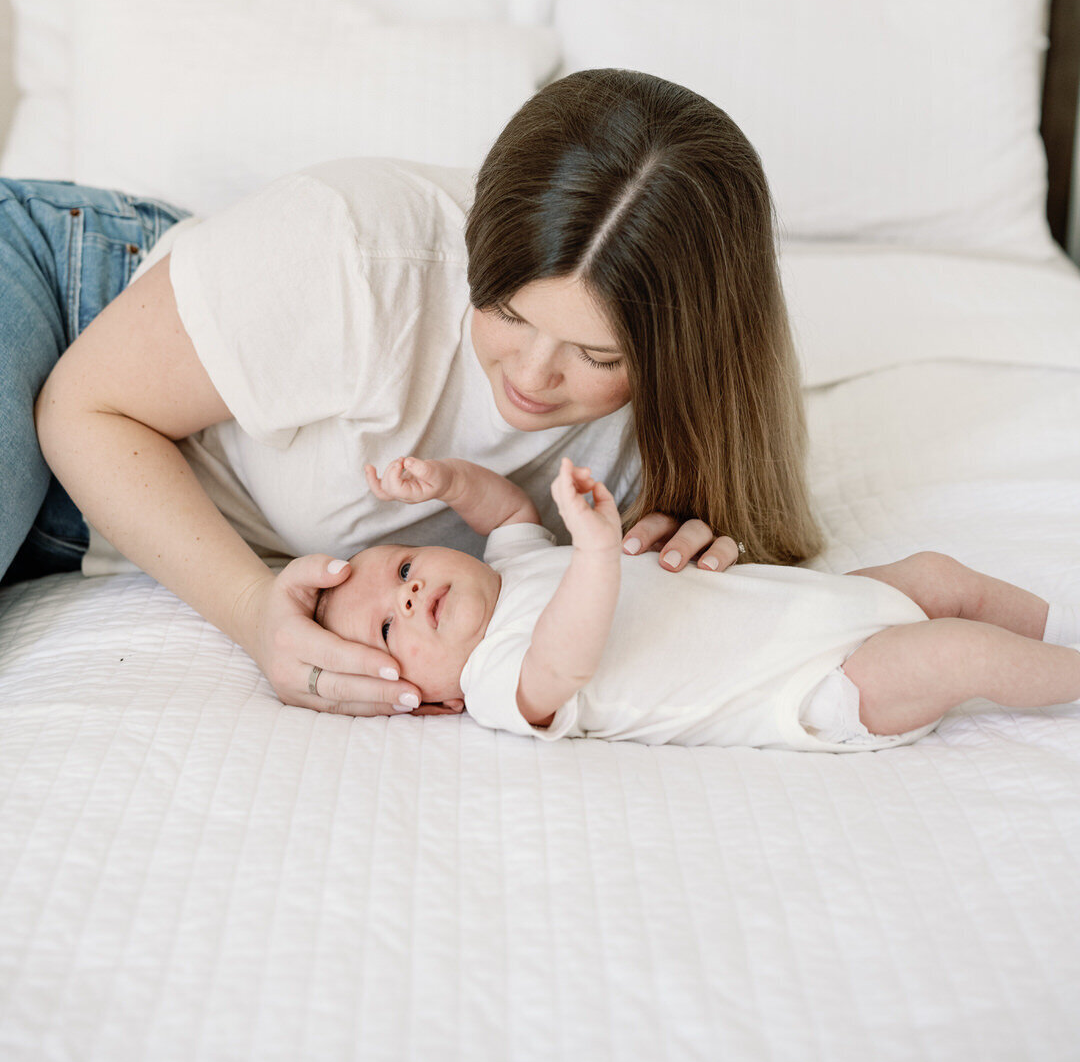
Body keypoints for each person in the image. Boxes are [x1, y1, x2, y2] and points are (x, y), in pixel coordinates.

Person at [4, 68, 820, 718]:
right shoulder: (355, 251)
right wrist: (255, 613)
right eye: (506, 312)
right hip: (72, 309)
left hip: (107, 524)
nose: (534, 378)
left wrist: (689, 565)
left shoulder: (684, 425)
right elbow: (82, 409)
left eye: (597, 356)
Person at [314, 451, 1080, 750]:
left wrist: (448, 483)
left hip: (824, 605)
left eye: (404, 564)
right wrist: (594, 551)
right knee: (959, 654)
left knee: (939, 574)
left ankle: (1062, 627)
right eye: (388, 626)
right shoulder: (493, 682)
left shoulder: (513, 566)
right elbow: (566, 659)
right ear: (430, 702)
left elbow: (507, 511)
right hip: (819, 686)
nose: (409, 595)